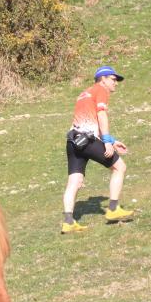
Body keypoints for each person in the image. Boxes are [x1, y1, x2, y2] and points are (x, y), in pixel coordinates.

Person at [61, 66, 134, 234]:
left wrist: (113, 141)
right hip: (87, 140)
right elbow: (101, 116)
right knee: (119, 167)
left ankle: (68, 222)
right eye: (114, 80)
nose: (116, 83)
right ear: (103, 79)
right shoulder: (100, 90)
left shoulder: (84, 93)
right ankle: (114, 209)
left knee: (75, 181)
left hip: (73, 141)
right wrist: (107, 142)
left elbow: (89, 120)